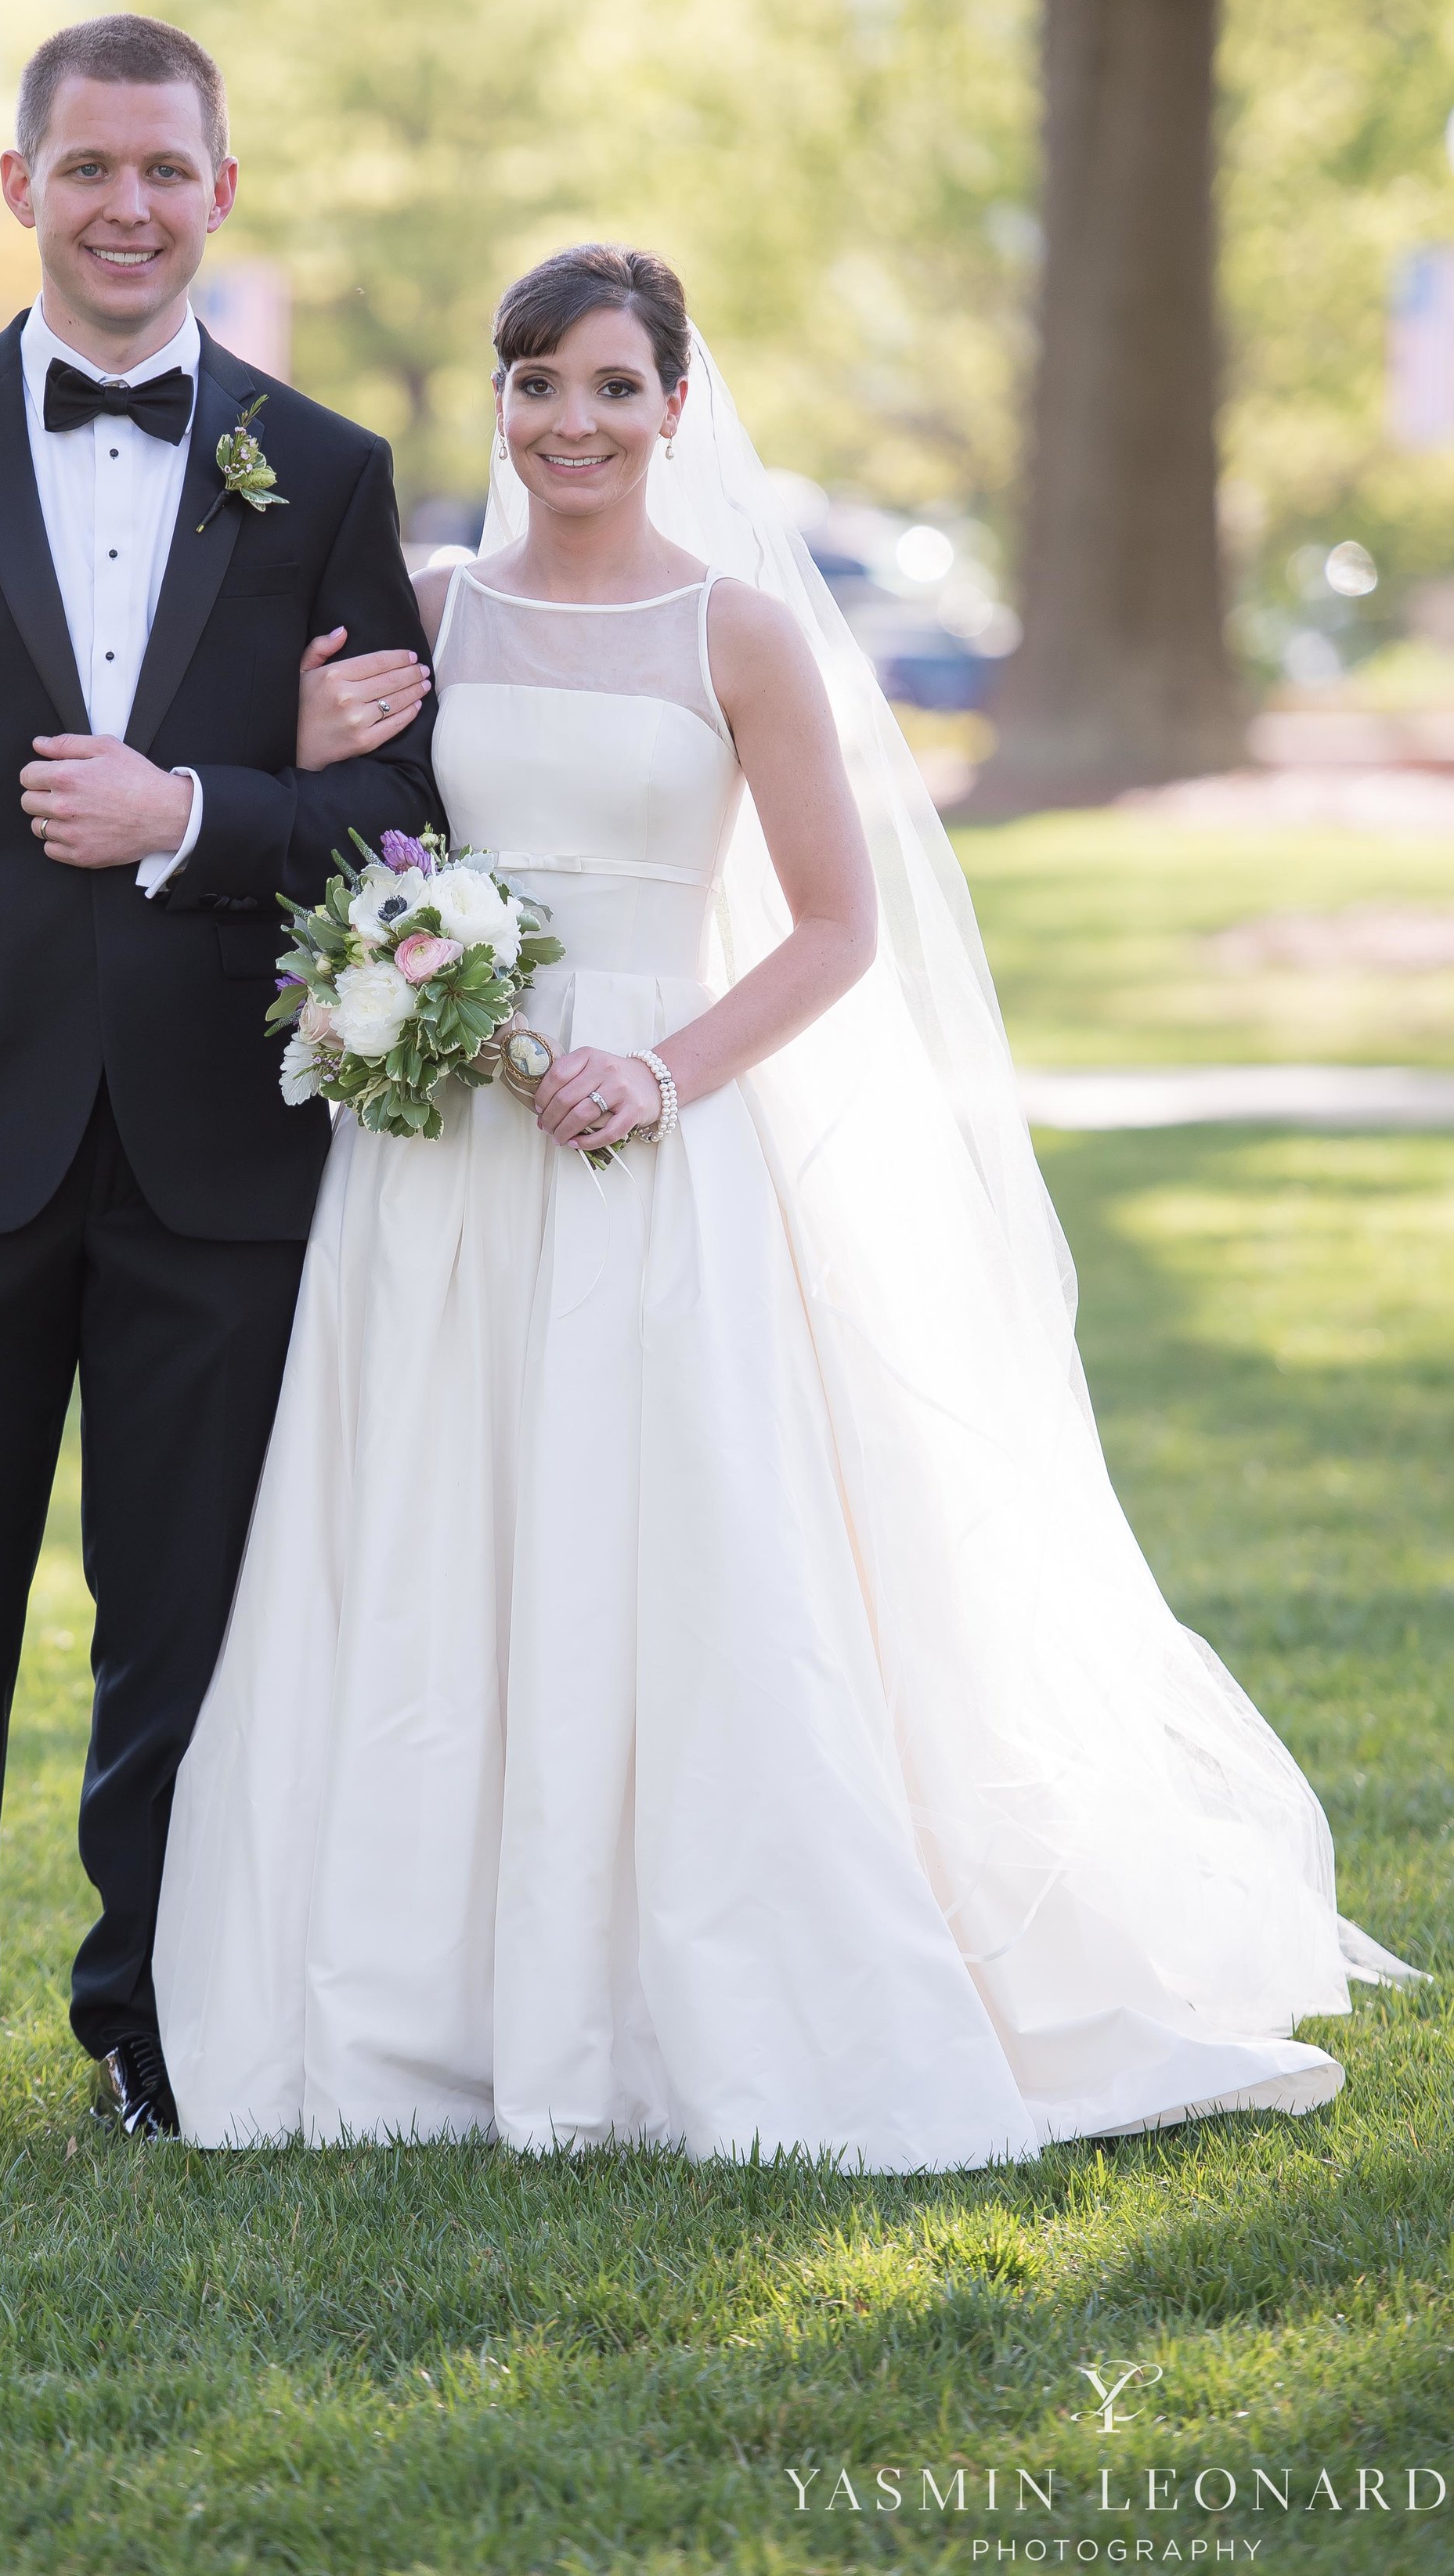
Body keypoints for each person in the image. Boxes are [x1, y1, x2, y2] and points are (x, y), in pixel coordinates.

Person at [152, 243, 1411, 2170]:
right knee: (436, 1522)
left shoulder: (736, 633)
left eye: (609, 387)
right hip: (448, 1148)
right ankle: (426, 2008)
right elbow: (359, 840)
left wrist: (655, 1069)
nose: (568, 422)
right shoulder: (429, 610)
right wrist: (380, 886)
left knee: (675, 1541)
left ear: (676, 405)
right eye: (535, 385)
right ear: (497, 404)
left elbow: (837, 928)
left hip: (665, 1134)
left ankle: (692, 1986)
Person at [0, 13, 439, 2163]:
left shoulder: (324, 471)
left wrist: (189, 810)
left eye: (167, 168)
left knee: (183, 1617)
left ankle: (157, 2023)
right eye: (88, 168)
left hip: (222, 1134)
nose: (128, 206)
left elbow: (400, 812)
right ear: (19, 185)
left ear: (224, 192)